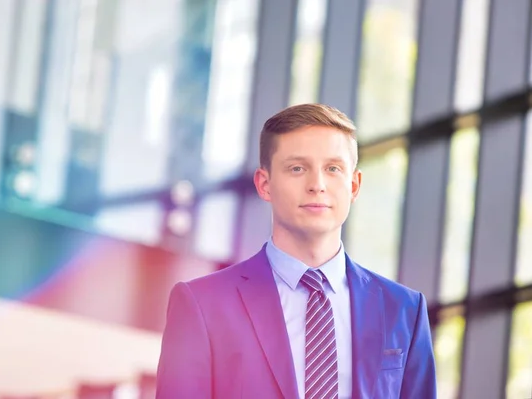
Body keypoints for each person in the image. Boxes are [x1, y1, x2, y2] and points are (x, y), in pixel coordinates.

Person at [155, 104, 436, 399]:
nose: (317, 185)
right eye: (297, 168)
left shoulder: (404, 310)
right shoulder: (203, 304)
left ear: (353, 186)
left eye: (333, 169)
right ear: (265, 185)